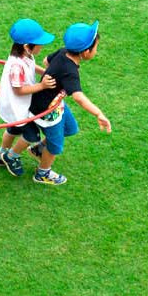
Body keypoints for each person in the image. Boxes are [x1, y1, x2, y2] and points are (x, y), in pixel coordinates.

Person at [28, 21, 112, 185]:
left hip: (55, 104)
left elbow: (46, 61)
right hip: (46, 111)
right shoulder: (71, 71)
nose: (96, 51)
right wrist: (99, 113)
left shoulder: (63, 52)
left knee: (70, 128)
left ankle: (38, 149)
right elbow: (79, 97)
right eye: (96, 48)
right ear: (86, 52)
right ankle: (42, 173)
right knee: (56, 145)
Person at [0, 18, 56, 177]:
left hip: (15, 105)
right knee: (31, 135)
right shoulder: (16, 65)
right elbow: (19, 90)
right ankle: (10, 156)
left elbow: (31, 66)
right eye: (39, 43)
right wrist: (42, 86)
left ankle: (1, 154)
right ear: (27, 46)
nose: (42, 46)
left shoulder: (25, 55)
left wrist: (43, 72)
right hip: (16, 105)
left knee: (13, 129)